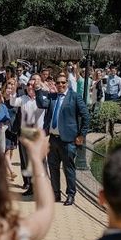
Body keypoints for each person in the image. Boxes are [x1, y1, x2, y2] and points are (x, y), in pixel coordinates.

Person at [36, 72, 90, 206]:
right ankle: (56, 194)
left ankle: (71, 194)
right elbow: (42, 104)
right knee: (53, 168)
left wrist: (81, 135)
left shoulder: (75, 97)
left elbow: (86, 116)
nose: (60, 85)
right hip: (53, 139)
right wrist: (37, 90)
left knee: (69, 169)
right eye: (58, 83)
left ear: (67, 83)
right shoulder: (52, 97)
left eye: (63, 83)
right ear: (55, 84)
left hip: (69, 140)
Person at [9, 75, 46, 195]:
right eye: (28, 85)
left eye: (32, 85)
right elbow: (13, 101)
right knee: (27, 161)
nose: (30, 87)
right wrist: (14, 90)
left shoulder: (42, 98)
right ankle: (31, 186)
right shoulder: (23, 98)